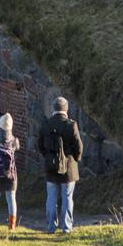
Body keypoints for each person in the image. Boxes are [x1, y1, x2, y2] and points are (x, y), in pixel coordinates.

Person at [37, 96, 84, 234]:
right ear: (66, 109)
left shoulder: (46, 124)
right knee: (67, 198)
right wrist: (76, 159)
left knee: (51, 198)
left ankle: (51, 227)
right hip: (68, 168)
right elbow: (78, 146)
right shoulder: (71, 125)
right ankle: (66, 227)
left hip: (51, 167)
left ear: (54, 108)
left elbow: (39, 144)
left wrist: (47, 156)